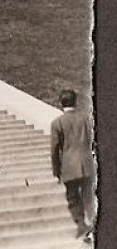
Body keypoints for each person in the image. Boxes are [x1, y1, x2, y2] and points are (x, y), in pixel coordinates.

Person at [50, 90, 95, 239]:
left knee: (73, 197)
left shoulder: (57, 123)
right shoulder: (85, 119)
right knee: (88, 194)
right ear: (76, 102)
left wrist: (56, 172)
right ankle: (92, 222)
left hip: (69, 167)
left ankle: (82, 225)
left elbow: (55, 149)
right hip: (87, 163)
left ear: (61, 103)